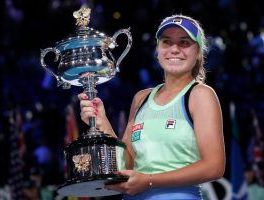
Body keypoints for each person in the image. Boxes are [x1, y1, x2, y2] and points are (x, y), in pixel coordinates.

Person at [78, 14, 225, 200]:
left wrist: (149, 180)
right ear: (158, 50)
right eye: (166, 42)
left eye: (184, 42)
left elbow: (214, 166)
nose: (174, 49)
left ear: (198, 53)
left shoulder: (200, 95)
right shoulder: (142, 98)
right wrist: (103, 123)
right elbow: (127, 166)